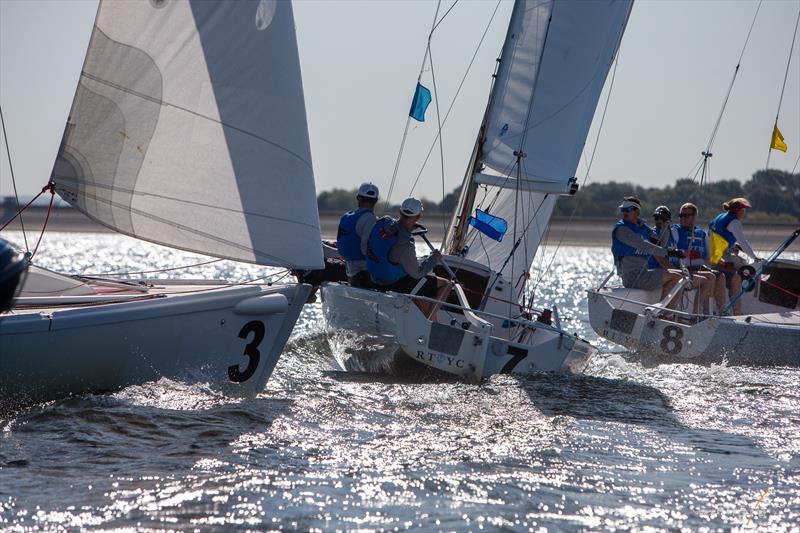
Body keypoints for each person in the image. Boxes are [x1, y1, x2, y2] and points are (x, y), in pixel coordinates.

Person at [366, 197, 451, 319]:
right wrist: (434, 258)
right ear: (417, 217)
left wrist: (407, 230)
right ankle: (429, 321)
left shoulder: (383, 222)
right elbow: (417, 273)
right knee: (446, 285)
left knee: (422, 287)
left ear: (400, 212)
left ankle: (422, 313)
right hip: (392, 284)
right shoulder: (406, 244)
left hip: (374, 278)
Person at [611, 196, 685, 308]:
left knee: (680, 276)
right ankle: (662, 312)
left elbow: (659, 244)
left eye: (628, 209)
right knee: (677, 277)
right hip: (631, 276)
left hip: (643, 273)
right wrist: (669, 252)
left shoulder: (643, 228)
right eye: (623, 210)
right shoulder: (622, 230)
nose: (624, 212)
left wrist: (665, 226)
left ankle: (665, 311)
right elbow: (643, 245)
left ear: (637, 211)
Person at [708, 197, 759, 315]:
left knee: (740, 265)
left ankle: (735, 309)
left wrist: (733, 245)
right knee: (744, 267)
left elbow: (719, 237)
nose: (744, 213)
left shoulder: (721, 216)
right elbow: (744, 242)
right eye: (743, 210)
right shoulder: (734, 222)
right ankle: (737, 310)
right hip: (719, 258)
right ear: (738, 210)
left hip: (713, 255)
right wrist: (755, 258)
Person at [673, 203, 726, 314]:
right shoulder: (675, 231)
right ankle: (700, 313)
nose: (682, 218)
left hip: (700, 267)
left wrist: (717, 259)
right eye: (680, 215)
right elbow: (672, 252)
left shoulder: (702, 233)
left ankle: (722, 312)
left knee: (721, 276)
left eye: (686, 215)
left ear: (694, 217)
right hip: (685, 267)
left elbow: (707, 257)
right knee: (711, 277)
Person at [336, 182, 379, 287]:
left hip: (349, 269)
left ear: (358, 198)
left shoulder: (345, 217)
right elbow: (365, 249)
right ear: (376, 201)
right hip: (363, 272)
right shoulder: (371, 219)